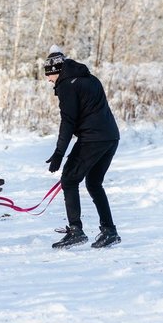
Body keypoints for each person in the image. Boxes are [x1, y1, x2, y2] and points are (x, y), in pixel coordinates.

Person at [43, 45, 121, 249]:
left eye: (49, 76)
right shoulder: (90, 79)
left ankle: (76, 230)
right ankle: (109, 231)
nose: (48, 80)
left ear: (56, 71)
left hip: (92, 139)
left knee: (69, 180)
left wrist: (60, 153)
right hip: (110, 137)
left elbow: (68, 121)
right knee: (94, 183)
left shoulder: (67, 85)